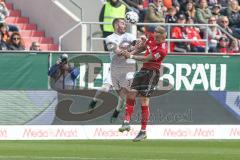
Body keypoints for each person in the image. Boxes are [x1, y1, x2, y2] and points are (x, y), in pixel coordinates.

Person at [119, 26, 168, 142]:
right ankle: (126, 122)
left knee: (144, 101)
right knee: (131, 94)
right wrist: (130, 52)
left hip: (152, 74)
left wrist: (131, 56)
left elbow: (147, 58)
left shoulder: (162, 50)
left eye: (157, 36)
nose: (154, 37)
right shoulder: (151, 38)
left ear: (163, 36)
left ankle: (143, 131)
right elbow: (143, 47)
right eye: (154, 34)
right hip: (143, 71)